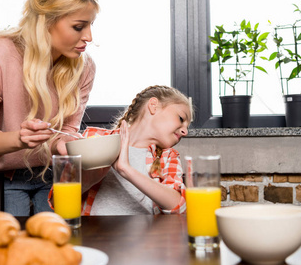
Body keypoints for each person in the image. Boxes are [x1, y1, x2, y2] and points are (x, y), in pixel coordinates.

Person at [0, 0, 99, 216]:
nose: (89, 36)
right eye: (79, 26)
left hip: (55, 176)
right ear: (47, 21)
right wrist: (20, 139)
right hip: (4, 179)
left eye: (91, 25)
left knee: (60, 244)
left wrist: (77, 144)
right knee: (11, 248)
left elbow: (67, 133)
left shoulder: (84, 68)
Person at [49, 85, 193, 215]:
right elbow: (57, 202)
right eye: (181, 119)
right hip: (91, 238)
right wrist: (89, 179)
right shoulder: (93, 139)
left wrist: (126, 170)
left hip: (145, 241)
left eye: (187, 126)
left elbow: (179, 206)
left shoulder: (168, 157)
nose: (185, 131)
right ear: (153, 106)